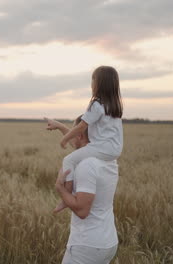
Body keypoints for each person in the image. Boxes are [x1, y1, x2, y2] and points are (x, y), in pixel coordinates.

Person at [46, 65, 123, 214]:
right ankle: (67, 197)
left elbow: (81, 127)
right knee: (79, 156)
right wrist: (61, 127)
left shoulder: (96, 104)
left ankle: (66, 198)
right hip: (114, 150)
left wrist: (65, 139)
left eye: (93, 80)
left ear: (98, 83)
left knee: (68, 160)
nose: (91, 84)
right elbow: (81, 142)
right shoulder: (114, 107)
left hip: (100, 148)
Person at [48, 116, 119, 264]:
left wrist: (60, 188)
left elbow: (82, 211)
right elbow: (83, 144)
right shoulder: (109, 159)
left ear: (79, 135)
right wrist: (60, 126)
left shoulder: (87, 165)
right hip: (107, 242)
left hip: (87, 246)